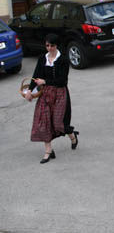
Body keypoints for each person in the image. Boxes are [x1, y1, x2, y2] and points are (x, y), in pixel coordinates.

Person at [25, 34, 79, 164]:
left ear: (57, 46)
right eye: (47, 45)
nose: (49, 48)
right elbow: (36, 76)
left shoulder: (63, 60)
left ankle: (72, 135)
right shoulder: (42, 59)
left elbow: (62, 81)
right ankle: (48, 151)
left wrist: (45, 81)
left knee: (60, 124)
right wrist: (29, 91)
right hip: (45, 94)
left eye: (52, 46)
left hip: (60, 94)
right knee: (44, 122)